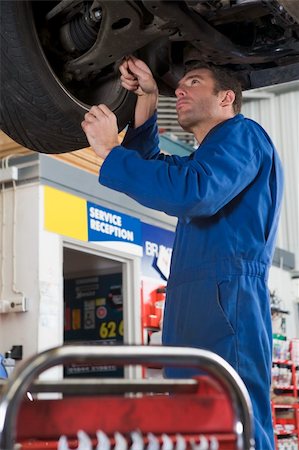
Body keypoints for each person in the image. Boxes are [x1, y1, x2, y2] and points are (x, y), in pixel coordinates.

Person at [81, 56, 283, 450]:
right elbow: (158, 172)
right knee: (194, 425)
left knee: (236, 418)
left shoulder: (243, 134)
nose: (182, 89)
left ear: (227, 97)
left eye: (193, 81)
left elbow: (195, 191)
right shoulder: (203, 159)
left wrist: (109, 151)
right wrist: (149, 100)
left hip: (227, 298)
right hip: (195, 299)